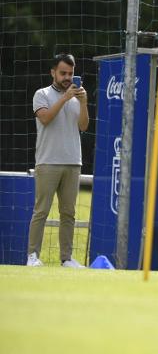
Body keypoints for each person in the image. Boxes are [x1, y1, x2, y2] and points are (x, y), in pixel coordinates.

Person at [26, 53, 89, 268]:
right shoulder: (41, 94)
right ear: (53, 72)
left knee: (68, 213)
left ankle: (66, 258)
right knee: (41, 210)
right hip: (48, 161)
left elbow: (83, 126)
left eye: (70, 74)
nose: (67, 77)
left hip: (73, 161)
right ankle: (32, 256)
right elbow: (45, 118)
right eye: (63, 73)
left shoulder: (77, 96)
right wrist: (65, 98)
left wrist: (83, 103)